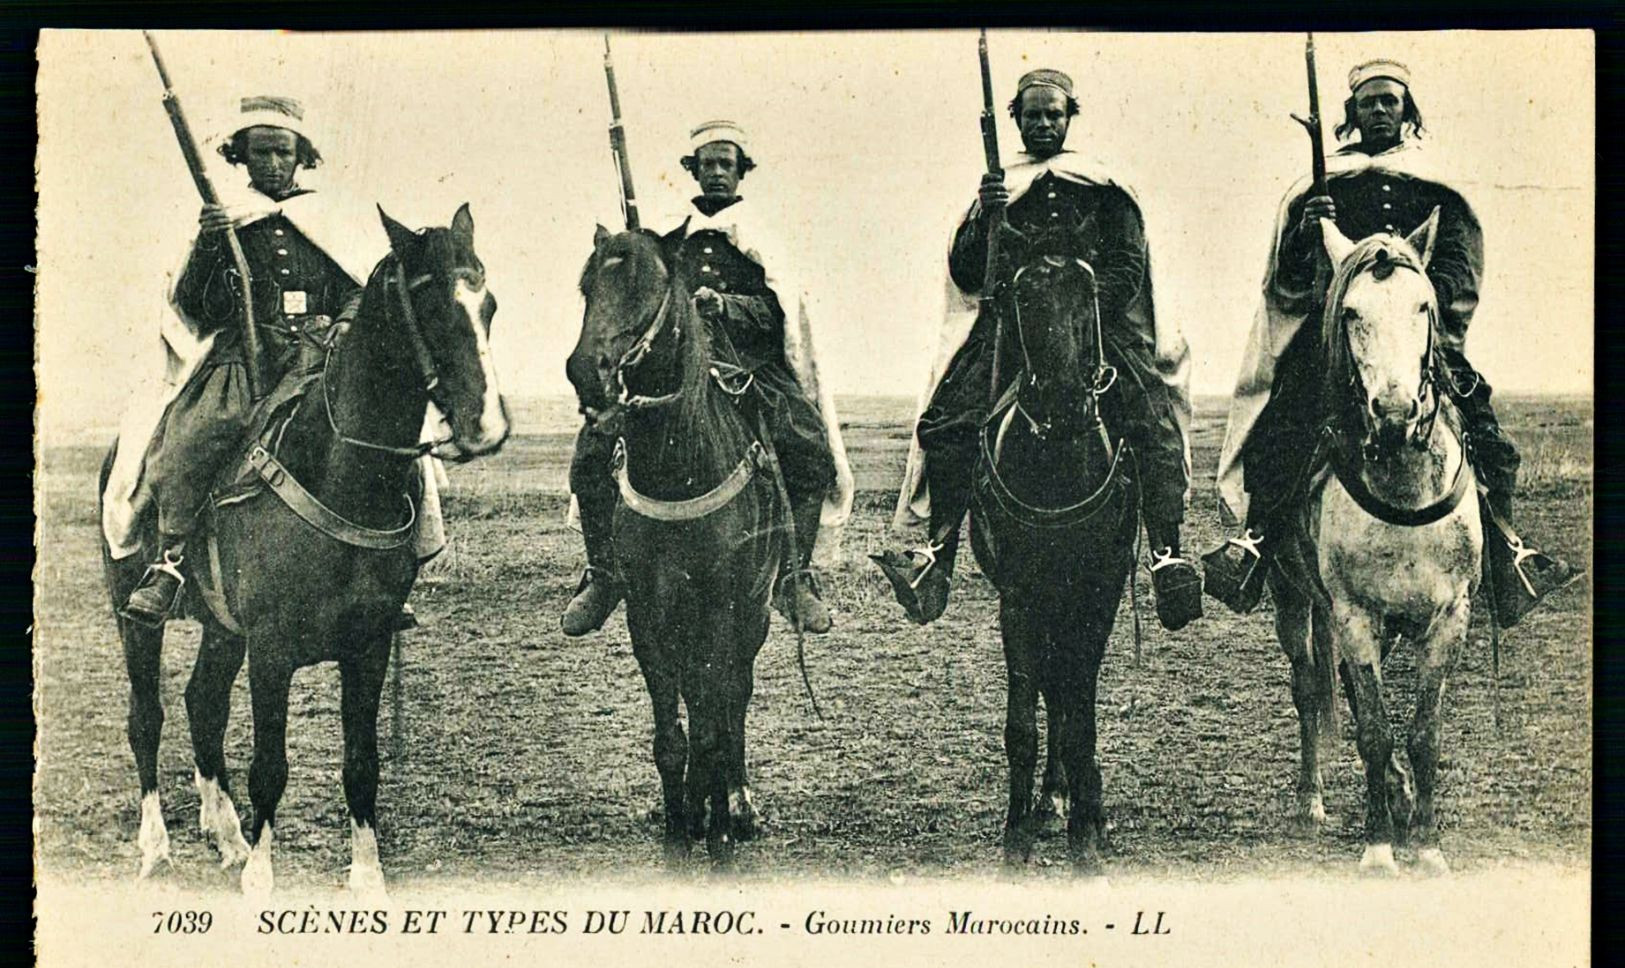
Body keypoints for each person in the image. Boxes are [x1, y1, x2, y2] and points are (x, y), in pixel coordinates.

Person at [1205, 60, 1581, 627]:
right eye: (1368, 103)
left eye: (1390, 102)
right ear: (1351, 114)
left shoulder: (1436, 185)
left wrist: (1420, 293)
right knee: (1283, 423)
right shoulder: (1324, 185)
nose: (1379, 111)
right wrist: (1310, 232)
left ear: (1408, 112)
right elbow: (1288, 279)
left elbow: (1458, 260)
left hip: (1412, 332)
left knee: (1487, 433)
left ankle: (1508, 556)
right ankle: (1257, 545)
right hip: (1340, 338)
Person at [877, 69, 1202, 631]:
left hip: (1091, 325)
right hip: (1014, 328)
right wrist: (985, 214)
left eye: (1054, 113)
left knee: (1150, 412)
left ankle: (1166, 552)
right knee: (951, 415)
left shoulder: (1104, 187)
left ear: (1070, 116)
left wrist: (1078, 299)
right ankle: (939, 550)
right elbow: (968, 271)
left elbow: (1129, 263)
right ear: (1017, 120)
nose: (1044, 123)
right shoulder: (1001, 188)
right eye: (1033, 115)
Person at [118, 96, 425, 628]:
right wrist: (213, 247)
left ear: (300, 154)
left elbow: (357, 288)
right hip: (245, 360)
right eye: (263, 153)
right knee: (195, 434)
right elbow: (197, 307)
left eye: (284, 152)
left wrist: (346, 325)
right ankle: (170, 563)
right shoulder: (229, 222)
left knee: (391, 440)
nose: (275, 164)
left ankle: (388, 573)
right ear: (243, 157)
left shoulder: (325, 219)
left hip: (320, 354)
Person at [562, 120, 852, 637]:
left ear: (742, 172)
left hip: (746, 367)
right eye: (708, 164)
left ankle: (794, 577)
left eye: (727, 164)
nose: (717, 173)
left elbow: (779, 313)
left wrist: (726, 306)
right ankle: (605, 575)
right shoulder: (667, 235)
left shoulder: (762, 238)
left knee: (808, 446)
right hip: (674, 370)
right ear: (692, 171)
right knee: (591, 452)